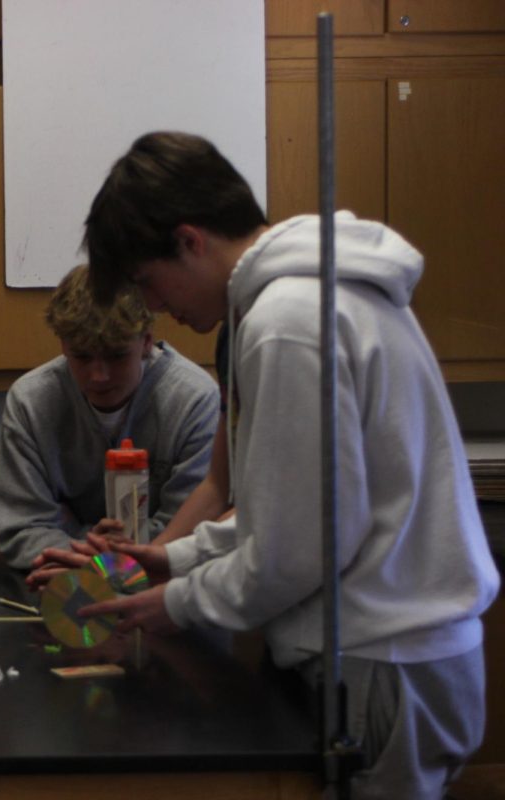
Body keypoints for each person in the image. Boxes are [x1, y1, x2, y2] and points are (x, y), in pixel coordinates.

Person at [79, 130, 500, 799]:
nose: (154, 306)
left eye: (146, 281)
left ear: (189, 240)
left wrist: (178, 603)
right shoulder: (318, 296)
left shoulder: (287, 321)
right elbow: (311, 507)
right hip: (404, 656)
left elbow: (295, 550)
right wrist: (183, 557)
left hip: (381, 658)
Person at [0, 264, 219, 572]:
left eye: (116, 355)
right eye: (82, 356)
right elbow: (21, 527)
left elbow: (190, 528)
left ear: (147, 341)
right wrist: (96, 561)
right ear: (62, 345)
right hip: (65, 581)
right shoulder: (30, 402)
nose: (98, 376)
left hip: (161, 583)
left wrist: (100, 556)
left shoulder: (194, 400)